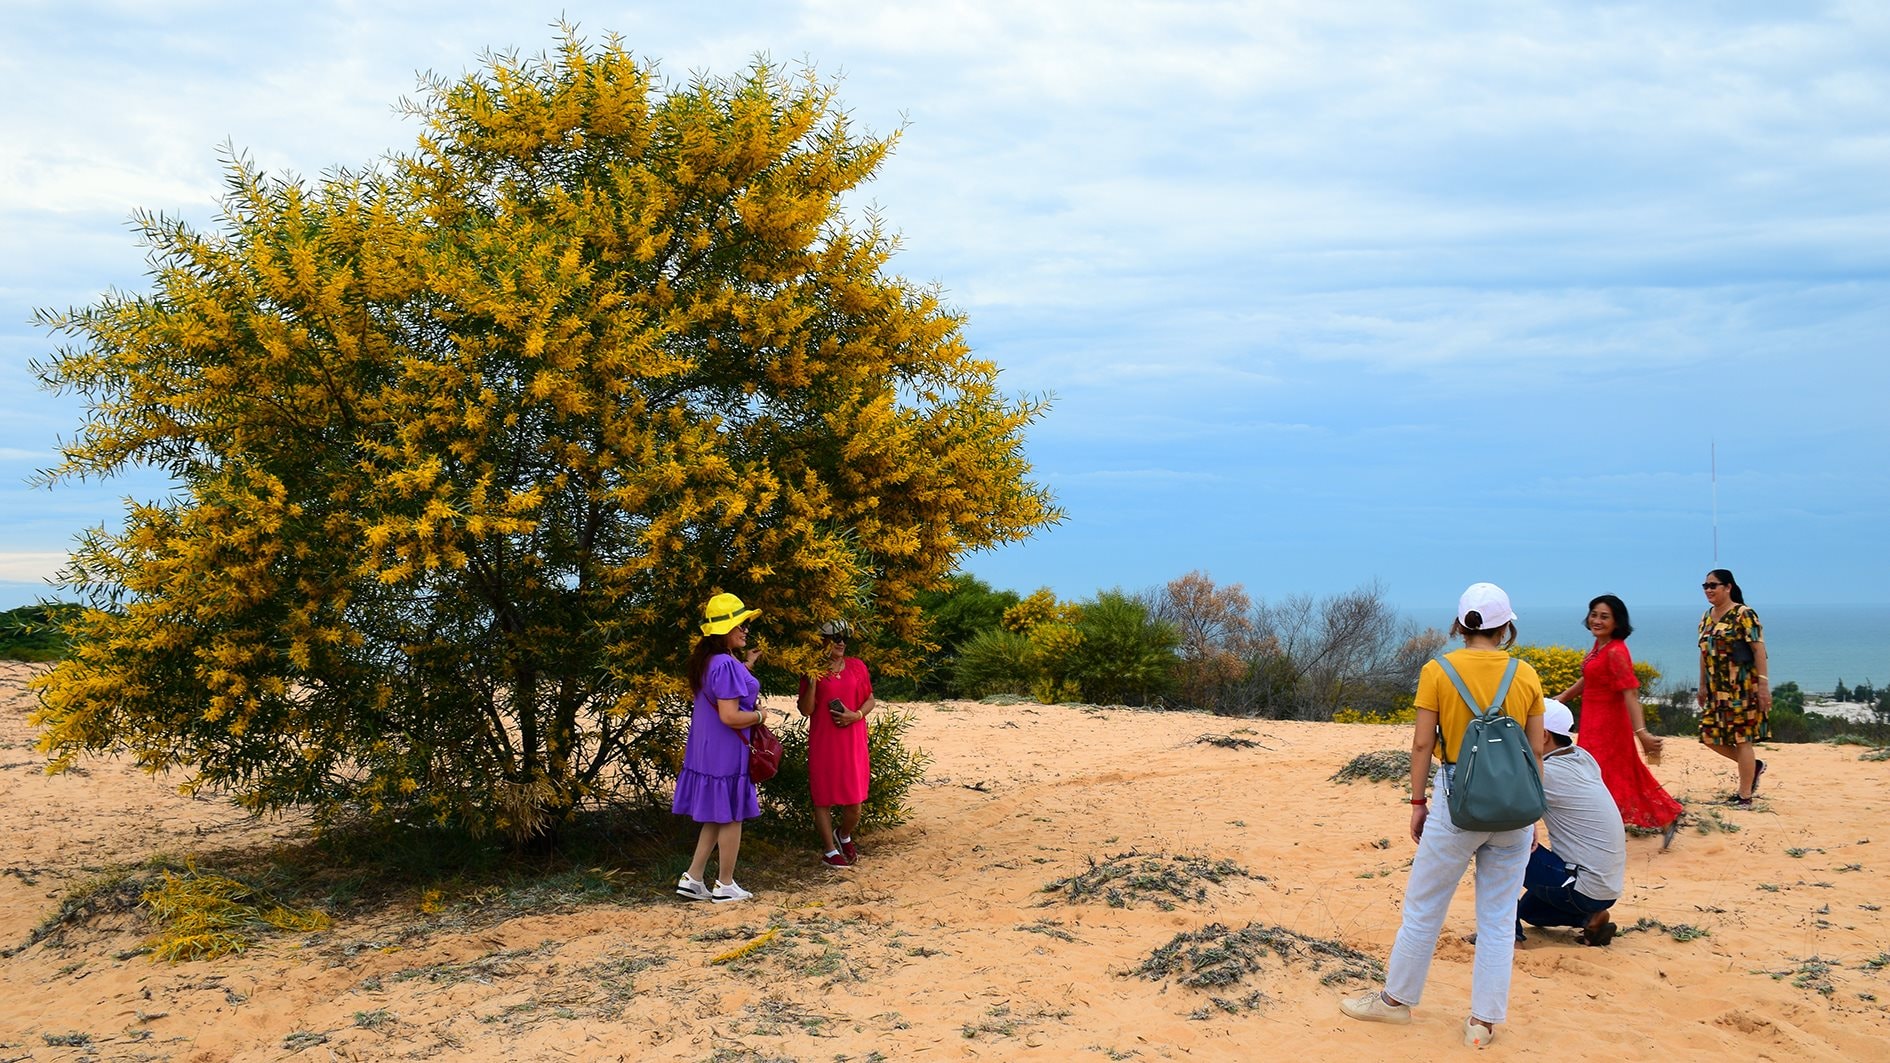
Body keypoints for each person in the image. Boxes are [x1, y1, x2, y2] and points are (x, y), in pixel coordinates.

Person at [1341, 582, 1546, 1050]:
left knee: (1425, 906)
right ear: (1505, 626)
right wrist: (1535, 817)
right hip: (1514, 808)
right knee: (1497, 916)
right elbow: (1535, 750)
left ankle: (1396, 1002)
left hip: (1458, 803)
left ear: (1460, 624)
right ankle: (1483, 1023)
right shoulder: (1526, 673)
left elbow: (1422, 744)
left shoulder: (1437, 671)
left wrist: (1417, 803)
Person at [1552, 594, 1683, 843]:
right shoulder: (1600, 646)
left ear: (1617, 621)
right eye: (1594, 614)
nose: (1597, 620)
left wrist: (1641, 732)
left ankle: (1608, 826)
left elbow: (1631, 692)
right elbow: (1591, 677)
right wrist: (1564, 696)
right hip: (1593, 722)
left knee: (1604, 774)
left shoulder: (1616, 651)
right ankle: (1663, 817)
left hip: (1610, 726)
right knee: (1613, 773)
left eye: (1604, 616)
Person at [673, 592, 767, 903]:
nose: (745, 629)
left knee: (716, 814)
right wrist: (760, 716)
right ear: (724, 629)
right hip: (726, 750)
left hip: (706, 747)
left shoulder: (710, 661)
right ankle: (725, 884)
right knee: (731, 815)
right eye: (740, 623)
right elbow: (730, 714)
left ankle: (694, 877)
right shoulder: (725, 664)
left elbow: (724, 694)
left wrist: (746, 666)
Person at [1517, 700, 1628, 946]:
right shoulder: (1582, 757)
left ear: (1543, 736)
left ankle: (1504, 935)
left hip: (1580, 884)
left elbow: (1504, 808)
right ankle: (1590, 917)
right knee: (1530, 912)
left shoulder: (1549, 772)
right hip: (1605, 887)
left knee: (1496, 844)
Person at [797, 620, 876, 868]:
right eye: (835, 637)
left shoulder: (856, 667)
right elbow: (806, 710)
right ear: (822, 641)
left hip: (852, 741)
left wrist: (857, 715)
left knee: (855, 803)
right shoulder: (812, 670)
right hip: (825, 741)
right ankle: (830, 851)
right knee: (823, 797)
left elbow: (870, 699)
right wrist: (812, 680)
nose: (841, 642)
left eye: (844, 638)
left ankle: (843, 834)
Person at [1697, 569, 1772, 806]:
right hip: (1716, 690)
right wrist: (1701, 685)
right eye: (1705, 586)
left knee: (1742, 739)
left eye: (1713, 585)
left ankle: (1745, 796)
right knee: (1710, 737)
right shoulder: (1706, 617)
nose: (1709, 590)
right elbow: (1703, 652)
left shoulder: (1744, 614)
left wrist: (1763, 685)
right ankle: (1754, 766)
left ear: (1728, 587)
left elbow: (1759, 650)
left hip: (1742, 688)